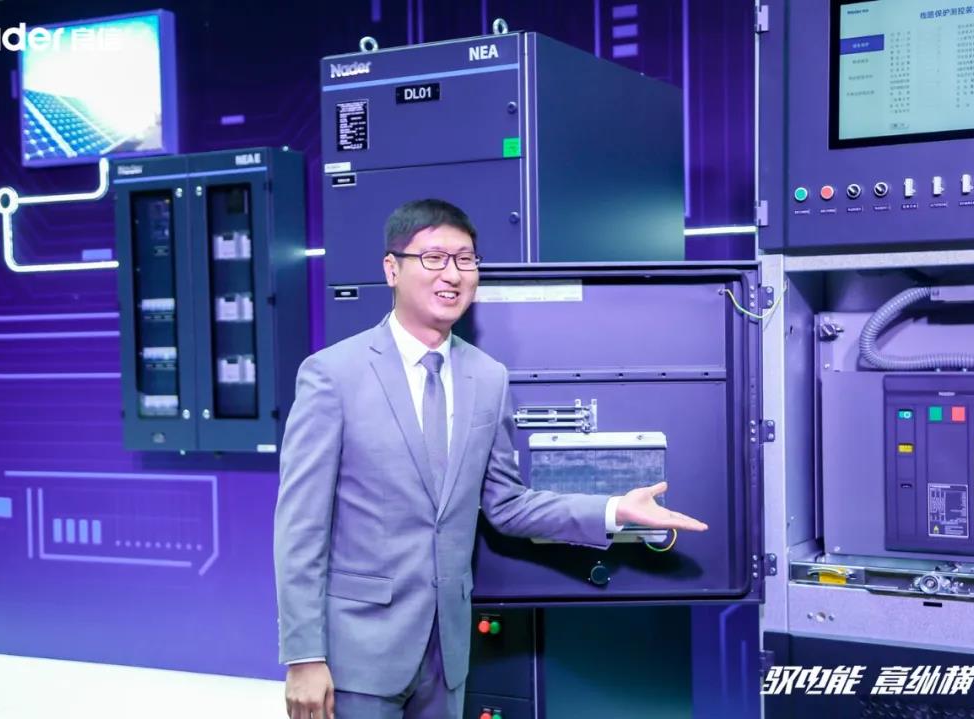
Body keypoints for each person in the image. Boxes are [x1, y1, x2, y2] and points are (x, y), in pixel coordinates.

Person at [274, 199, 708, 719]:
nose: (452, 274)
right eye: (433, 258)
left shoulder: (487, 377)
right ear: (392, 269)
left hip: (447, 656)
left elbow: (507, 504)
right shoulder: (332, 374)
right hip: (357, 657)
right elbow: (300, 527)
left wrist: (614, 509)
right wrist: (304, 656)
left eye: (465, 260)